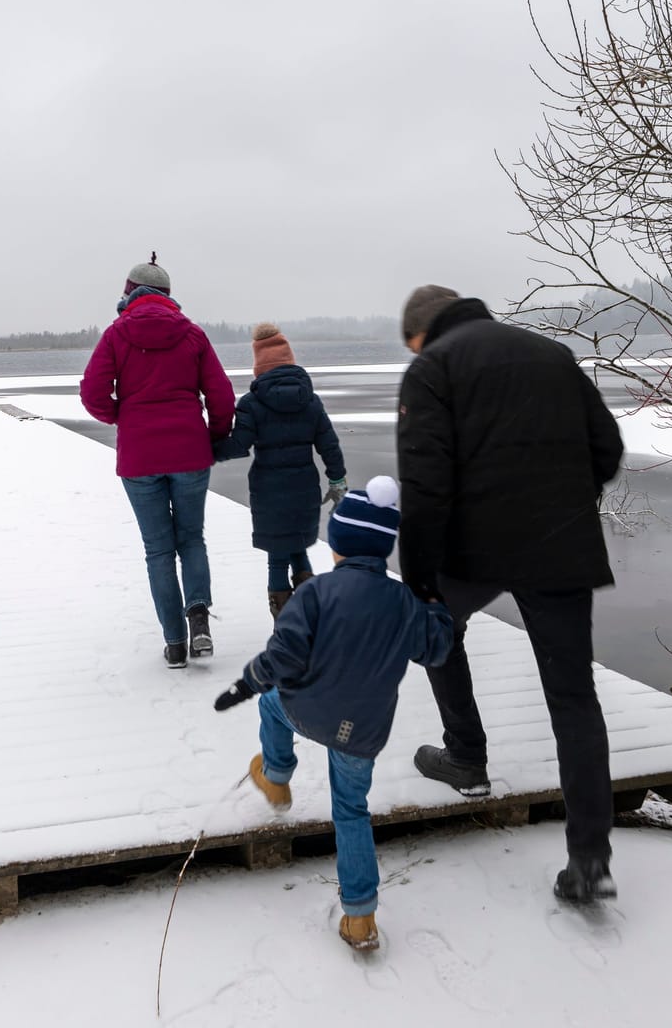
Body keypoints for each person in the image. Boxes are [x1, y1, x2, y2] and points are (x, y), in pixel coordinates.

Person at [393, 283, 624, 903]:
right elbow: (608, 449)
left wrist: (419, 578)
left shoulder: (432, 369)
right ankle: (590, 859)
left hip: (473, 549)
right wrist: (564, 501)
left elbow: (424, 484)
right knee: (574, 696)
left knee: (436, 632)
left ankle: (466, 757)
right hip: (560, 544)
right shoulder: (551, 353)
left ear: (420, 334)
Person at [213, 476, 454, 952]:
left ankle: (278, 775)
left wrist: (246, 682)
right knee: (350, 811)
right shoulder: (404, 603)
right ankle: (360, 920)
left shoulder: (316, 593)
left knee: (269, 704)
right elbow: (438, 649)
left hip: (306, 711)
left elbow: (281, 657)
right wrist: (432, 601)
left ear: (337, 546)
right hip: (360, 733)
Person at [80, 255, 235, 668]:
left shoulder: (116, 335)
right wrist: (214, 437)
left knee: (158, 551)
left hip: (140, 458)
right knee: (192, 539)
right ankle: (198, 617)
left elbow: (92, 394)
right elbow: (221, 396)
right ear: (168, 296)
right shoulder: (192, 335)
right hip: (189, 453)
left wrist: (125, 417)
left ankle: (174, 644)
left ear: (129, 292)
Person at [212, 322, 348, 618]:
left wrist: (208, 451)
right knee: (298, 548)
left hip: (269, 491)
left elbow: (238, 445)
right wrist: (337, 481)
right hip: (305, 489)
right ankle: (311, 617)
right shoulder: (310, 401)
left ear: (259, 364)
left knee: (277, 557)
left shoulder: (252, 404)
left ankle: (285, 628)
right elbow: (330, 445)